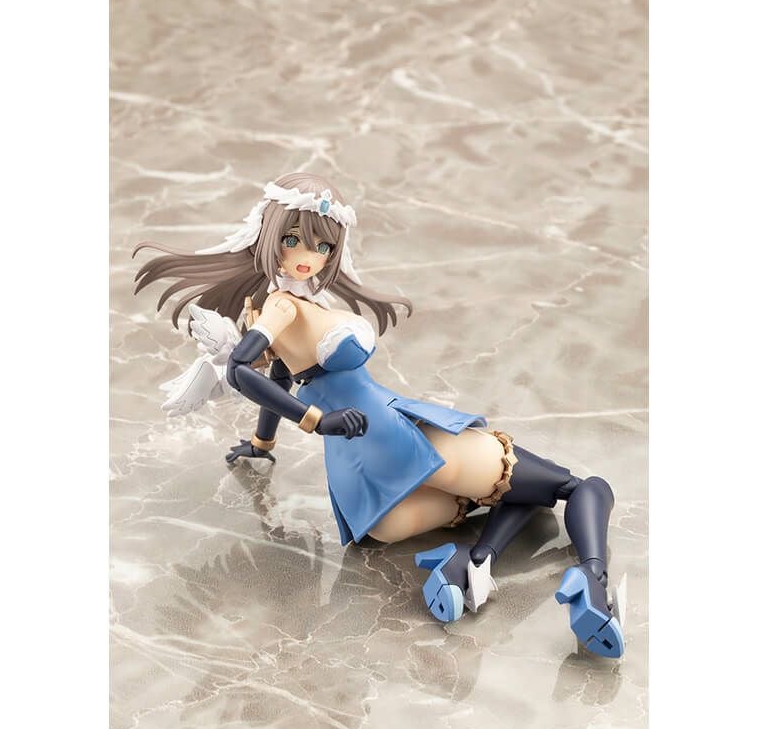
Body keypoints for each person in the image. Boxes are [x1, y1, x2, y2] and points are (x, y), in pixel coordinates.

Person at [134, 172, 625, 658]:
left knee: (514, 497)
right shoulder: (281, 309)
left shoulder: (286, 310)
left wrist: (263, 444)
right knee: (577, 486)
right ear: (269, 237)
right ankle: (593, 579)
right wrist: (315, 420)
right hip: (402, 438)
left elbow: (278, 379)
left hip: (369, 496)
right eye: (292, 240)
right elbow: (241, 370)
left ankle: (471, 562)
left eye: (323, 246)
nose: (308, 256)